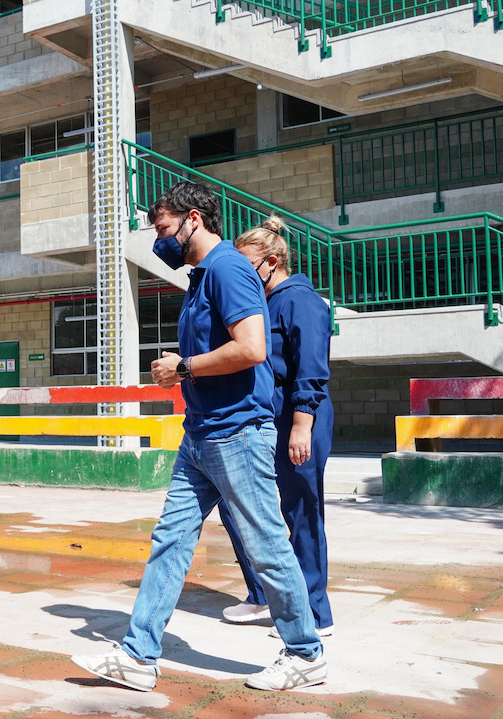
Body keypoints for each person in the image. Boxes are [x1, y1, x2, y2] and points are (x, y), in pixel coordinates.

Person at [71, 182, 325, 693]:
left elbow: (253, 348)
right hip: (202, 434)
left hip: (236, 433)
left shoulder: (229, 269)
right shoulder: (201, 276)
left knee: (267, 546)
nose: (159, 239)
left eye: (163, 228)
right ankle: (139, 656)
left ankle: (305, 653)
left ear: (192, 219)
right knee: (170, 541)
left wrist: (184, 367)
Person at [217, 215, 335, 636]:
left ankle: (315, 615)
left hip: (299, 416)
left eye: (248, 267)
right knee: (236, 506)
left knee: (301, 510)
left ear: (272, 261)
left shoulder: (301, 300)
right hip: (264, 415)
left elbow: (312, 371)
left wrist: (301, 426)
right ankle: (267, 595)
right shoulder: (262, 303)